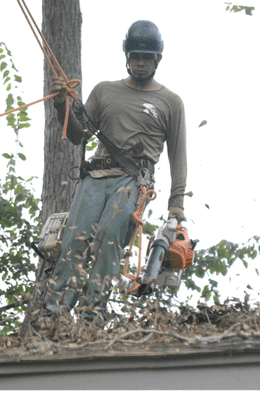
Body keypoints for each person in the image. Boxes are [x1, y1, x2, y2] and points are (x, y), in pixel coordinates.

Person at [42, 20, 187, 321]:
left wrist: (176, 204)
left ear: (158, 59)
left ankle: (92, 315)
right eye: (136, 57)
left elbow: (177, 155)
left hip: (134, 180)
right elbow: (77, 135)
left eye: (147, 58)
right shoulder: (105, 91)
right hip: (96, 177)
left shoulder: (170, 102)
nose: (141, 63)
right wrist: (61, 105)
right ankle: (53, 316)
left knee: (109, 238)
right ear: (126, 56)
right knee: (75, 239)